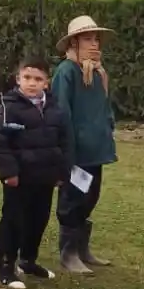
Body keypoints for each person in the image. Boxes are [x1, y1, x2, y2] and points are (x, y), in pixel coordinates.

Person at [0, 55, 70, 289]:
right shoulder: (8, 107)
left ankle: (28, 260)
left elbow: (63, 141)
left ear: (47, 82)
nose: (32, 83)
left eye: (38, 79)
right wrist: (9, 172)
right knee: (14, 220)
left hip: (44, 178)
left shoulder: (55, 109)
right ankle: (5, 267)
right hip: (19, 179)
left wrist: (61, 172)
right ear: (18, 79)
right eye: (27, 77)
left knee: (38, 220)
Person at [52, 15, 117, 274]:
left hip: (95, 151)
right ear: (74, 43)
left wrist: (108, 126)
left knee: (90, 197)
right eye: (88, 39)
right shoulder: (66, 72)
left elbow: (104, 107)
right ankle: (68, 253)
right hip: (76, 153)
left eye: (96, 39)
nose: (94, 44)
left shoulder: (98, 73)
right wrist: (66, 151)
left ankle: (82, 249)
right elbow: (61, 112)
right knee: (72, 198)